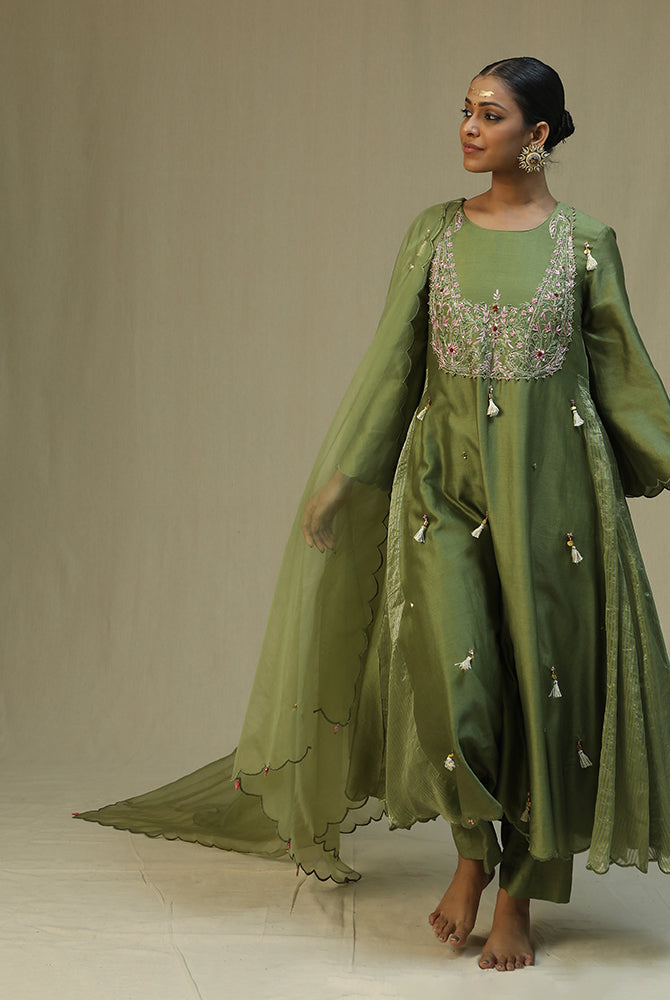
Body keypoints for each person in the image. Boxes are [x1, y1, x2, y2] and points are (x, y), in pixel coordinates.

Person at [76, 57, 670, 973]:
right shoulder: (434, 233)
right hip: (440, 488)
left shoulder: (587, 242)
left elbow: (624, 373)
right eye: (465, 111)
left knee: (545, 696)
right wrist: (345, 476)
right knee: (455, 684)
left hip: (553, 505)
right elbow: (394, 361)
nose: (468, 127)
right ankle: (471, 857)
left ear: (539, 133)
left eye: (491, 114)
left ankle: (517, 897)